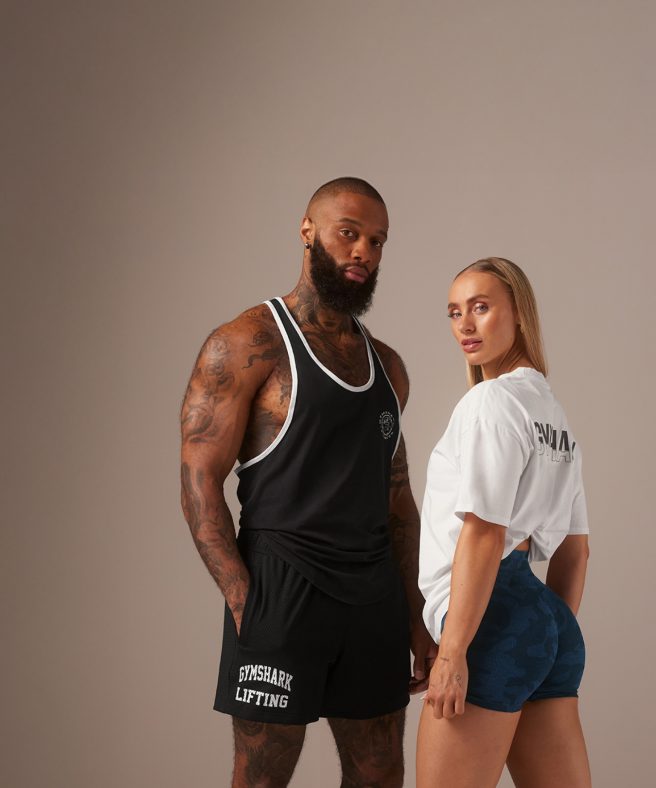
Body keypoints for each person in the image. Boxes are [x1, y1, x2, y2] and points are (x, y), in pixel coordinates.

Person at [179, 177, 434, 787]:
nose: (363, 251)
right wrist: (244, 597)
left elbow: (397, 498)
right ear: (308, 231)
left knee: (379, 776)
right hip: (282, 582)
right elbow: (199, 481)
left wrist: (416, 614)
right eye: (349, 233)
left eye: (377, 241)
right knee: (263, 777)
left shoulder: (387, 367)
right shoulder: (246, 344)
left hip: (372, 592)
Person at [415, 258, 593, 788]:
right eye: (455, 312)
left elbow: (484, 531)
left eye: (481, 307)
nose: (465, 325)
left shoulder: (490, 401)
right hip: (543, 617)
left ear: (519, 313)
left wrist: (453, 650)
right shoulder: (553, 414)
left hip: (488, 617)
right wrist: (544, 637)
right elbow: (576, 549)